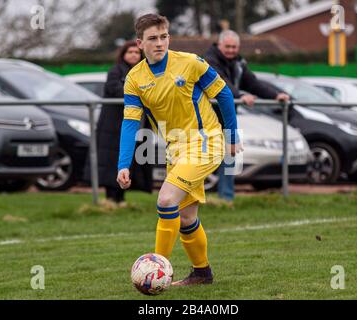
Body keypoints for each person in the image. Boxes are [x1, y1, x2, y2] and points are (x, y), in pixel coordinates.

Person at [116, 14, 241, 286]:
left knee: (165, 199)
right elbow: (130, 123)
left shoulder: (191, 63)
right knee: (185, 217)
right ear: (140, 43)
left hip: (206, 141)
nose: (159, 43)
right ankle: (202, 273)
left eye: (163, 37)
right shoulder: (134, 79)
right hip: (177, 150)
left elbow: (224, 94)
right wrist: (123, 164)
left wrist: (232, 136)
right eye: (152, 39)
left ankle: (155, 270)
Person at [204, 30, 290, 203]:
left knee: (230, 154)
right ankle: (194, 198)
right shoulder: (209, 61)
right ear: (219, 45)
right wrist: (239, 95)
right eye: (227, 46)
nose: (231, 50)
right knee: (203, 157)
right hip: (208, 118)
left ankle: (226, 199)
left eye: (234, 47)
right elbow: (221, 84)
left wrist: (275, 95)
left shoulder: (238, 63)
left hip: (228, 117)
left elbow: (253, 83)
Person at [94, 41, 153, 206]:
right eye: (130, 52)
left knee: (131, 163)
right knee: (112, 162)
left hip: (136, 125)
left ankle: (121, 199)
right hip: (114, 126)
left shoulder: (145, 71)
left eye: (136, 52)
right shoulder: (115, 71)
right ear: (123, 54)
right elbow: (118, 91)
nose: (134, 55)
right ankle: (111, 200)